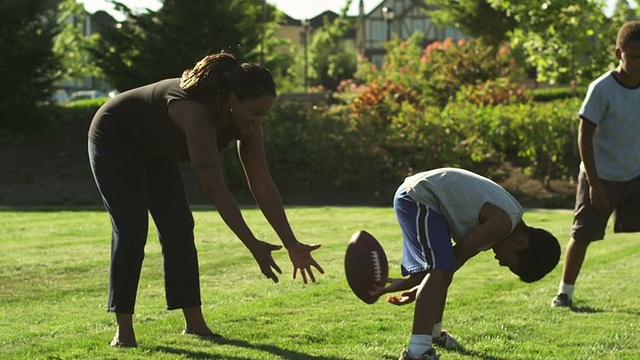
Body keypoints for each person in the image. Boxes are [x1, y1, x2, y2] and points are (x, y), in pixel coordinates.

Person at [88, 52, 324, 348]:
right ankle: (124, 329)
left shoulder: (248, 125)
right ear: (233, 99)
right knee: (132, 229)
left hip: (157, 149)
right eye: (254, 112)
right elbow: (215, 189)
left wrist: (291, 243)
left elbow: (261, 183)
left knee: (179, 228)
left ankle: (195, 323)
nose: (258, 121)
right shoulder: (196, 113)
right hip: (116, 136)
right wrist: (253, 244)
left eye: (264, 114)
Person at [370, 168, 560, 360]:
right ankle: (417, 351)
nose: (501, 264)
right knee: (440, 270)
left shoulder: (506, 222)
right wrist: (413, 282)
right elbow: (446, 264)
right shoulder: (502, 224)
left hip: (428, 201)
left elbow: (452, 263)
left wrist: (424, 285)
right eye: (509, 262)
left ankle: (435, 334)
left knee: (441, 270)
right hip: (418, 197)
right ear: (521, 243)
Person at [551, 21, 640, 309]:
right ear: (618, 53)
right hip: (600, 175)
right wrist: (594, 183)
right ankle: (565, 293)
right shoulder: (602, 89)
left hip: (635, 175)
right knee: (582, 234)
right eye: (635, 56)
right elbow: (584, 136)